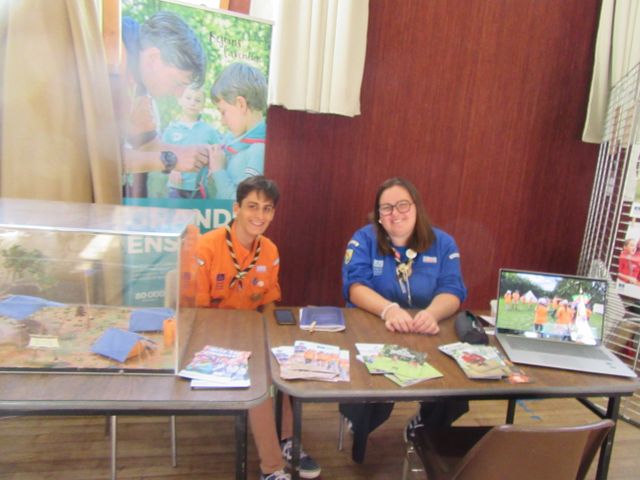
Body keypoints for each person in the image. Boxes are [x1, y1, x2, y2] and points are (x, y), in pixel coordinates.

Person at [195, 176, 321, 480]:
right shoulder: (206, 246)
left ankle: (287, 440)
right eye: (252, 206)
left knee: (281, 361)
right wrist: (242, 340)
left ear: (273, 213)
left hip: (251, 332)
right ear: (236, 208)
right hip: (210, 337)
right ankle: (272, 467)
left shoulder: (270, 250)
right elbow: (195, 313)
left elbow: (268, 302)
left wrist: (272, 337)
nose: (259, 215)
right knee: (260, 377)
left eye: (267, 208)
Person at [339, 177, 468, 463]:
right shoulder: (363, 239)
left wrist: (432, 313)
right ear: (378, 215)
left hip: (427, 332)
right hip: (373, 328)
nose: (395, 213)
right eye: (386, 208)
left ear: (416, 207)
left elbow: (453, 290)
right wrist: (388, 310)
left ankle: (426, 425)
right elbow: (354, 286)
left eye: (402, 205)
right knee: (371, 391)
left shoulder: (443, 243)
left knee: (455, 385)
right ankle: (360, 427)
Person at [117, 11, 210, 195]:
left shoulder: (139, 79)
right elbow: (102, 160)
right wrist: (171, 160)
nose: (179, 94)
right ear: (153, 59)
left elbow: (146, 144)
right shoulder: (112, 59)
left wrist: (190, 153)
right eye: (178, 83)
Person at [146, 86, 221, 198]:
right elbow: (162, 155)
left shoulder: (209, 130)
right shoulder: (171, 130)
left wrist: (213, 168)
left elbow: (218, 152)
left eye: (197, 100)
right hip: (176, 187)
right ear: (180, 100)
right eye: (188, 98)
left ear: (203, 105)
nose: (192, 103)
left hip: (200, 188)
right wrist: (172, 170)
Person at [207, 62, 267, 199]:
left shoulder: (258, 151)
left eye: (223, 112)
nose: (222, 122)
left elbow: (243, 202)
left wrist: (218, 172)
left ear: (241, 104)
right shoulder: (232, 141)